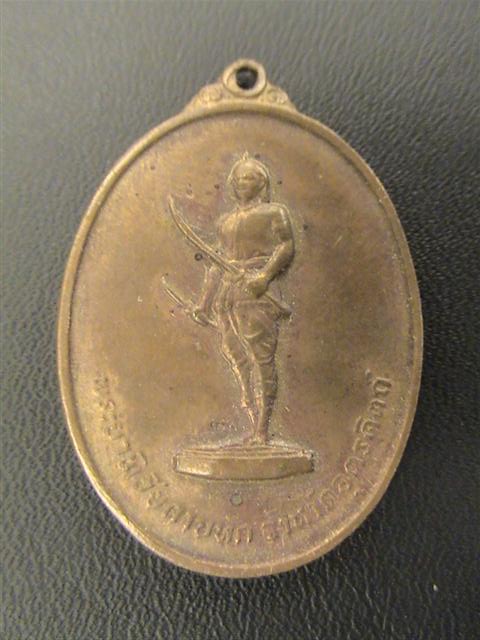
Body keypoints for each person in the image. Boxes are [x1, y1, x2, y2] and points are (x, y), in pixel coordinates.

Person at [193, 153, 295, 444]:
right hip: (227, 295)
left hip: (257, 292)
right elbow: (217, 263)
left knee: (262, 358)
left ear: (261, 182)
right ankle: (250, 418)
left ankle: (263, 429)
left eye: (249, 177)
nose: (242, 182)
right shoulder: (225, 222)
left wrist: (264, 276)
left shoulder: (274, 212)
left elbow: (286, 246)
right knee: (235, 355)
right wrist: (204, 301)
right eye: (238, 178)